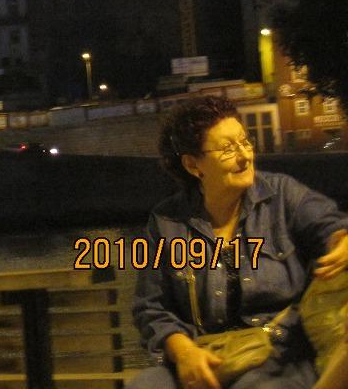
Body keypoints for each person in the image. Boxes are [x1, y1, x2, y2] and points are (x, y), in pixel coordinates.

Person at [130, 96, 348, 389]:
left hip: (280, 353)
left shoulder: (282, 195)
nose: (244, 156)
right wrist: (184, 353)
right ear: (193, 165)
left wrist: (342, 240)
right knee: (145, 385)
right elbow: (150, 307)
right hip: (206, 352)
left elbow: (329, 225)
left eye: (245, 142)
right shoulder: (167, 222)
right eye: (227, 149)